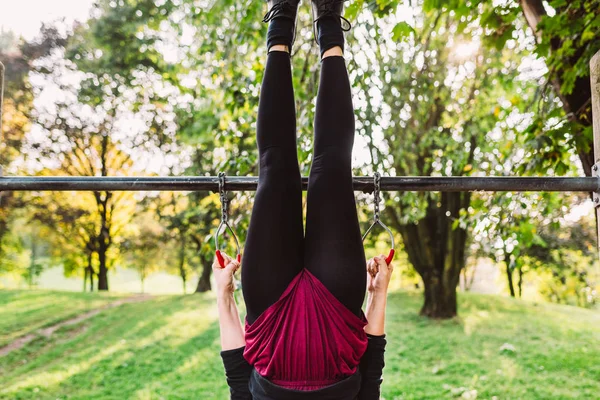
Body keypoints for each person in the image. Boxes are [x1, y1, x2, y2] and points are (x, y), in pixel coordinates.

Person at [214, 0, 393, 398]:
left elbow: (237, 378)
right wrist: (379, 296)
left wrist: (223, 298)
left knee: (276, 168)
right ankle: (329, 24)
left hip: (269, 313)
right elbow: (373, 371)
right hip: (337, 314)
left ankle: (280, 22)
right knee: (331, 168)